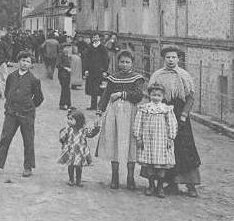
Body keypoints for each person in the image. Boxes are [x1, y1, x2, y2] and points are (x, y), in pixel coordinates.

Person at [148, 46, 202, 197]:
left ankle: (191, 184)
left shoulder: (184, 75)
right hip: (163, 114)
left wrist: (184, 115)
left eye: (174, 57)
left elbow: (190, 97)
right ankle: (170, 183)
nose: (171, 60)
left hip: (180, 114)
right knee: (165, 147)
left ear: (178, 59)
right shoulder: (157, 75)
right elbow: (152, 94)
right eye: (168, 57)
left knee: (185, 147)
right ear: (163, 59)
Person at [0, 50, 44, 177]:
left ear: (31, 64)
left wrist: (29, 106)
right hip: (11, 113)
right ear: (18, 62)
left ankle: (28, 167)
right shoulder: (11, 77)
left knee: (28, 140)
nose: (25, 63)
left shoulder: (34, 80)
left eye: (28, 62)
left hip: (26, 114)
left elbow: (39, 98)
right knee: (5, 138)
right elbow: (7, 92)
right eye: (23, 60)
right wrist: (10, 105)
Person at [96, 50, 145, 190]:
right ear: (118, 62)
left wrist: (120, 94)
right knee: (114, 142)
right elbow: (106, 95)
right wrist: (100, 111)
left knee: (131, 144)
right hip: (114, 113)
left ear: (132, 63)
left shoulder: (137, 78)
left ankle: (130, 177)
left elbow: (138, 95)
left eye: (127, 62)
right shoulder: (113, 78)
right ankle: (115, 177)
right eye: (122, 61)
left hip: (131, 113)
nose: (124, 64)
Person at [134, 84, 178, 198]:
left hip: (161, 140)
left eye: (159, 95)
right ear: (149, 95)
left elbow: (172, 124)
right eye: (153, 94)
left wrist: (170, 138)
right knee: (149, 164)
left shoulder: (166, 109)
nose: (156, 97)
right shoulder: (144, 108)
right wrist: (138, 137)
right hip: (147, 140)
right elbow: (138, 123)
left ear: (163, 96)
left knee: (161, 165)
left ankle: (160, 186)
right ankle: (151, 185)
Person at [58, 109, 100, 187]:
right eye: (68, 119)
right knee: (70, 166)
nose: (69, 121)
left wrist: (96, 128)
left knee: (79, 167)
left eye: (71, 119)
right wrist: (63, 135)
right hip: (70, 151)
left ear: (78, 120)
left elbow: (91, 134)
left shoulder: (83, 130)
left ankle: (78, 180)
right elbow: (62, 138)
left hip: (80, 152)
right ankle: (71, 180)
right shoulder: (68, 129)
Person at [83, 34, 109, 110]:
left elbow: (106, 59)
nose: (95, 38)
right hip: (91, 71)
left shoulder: (102, 48)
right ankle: (93, 106)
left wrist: (105, 70)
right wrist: (86, 69)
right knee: (92, 89)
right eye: (94, 37)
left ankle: (101, 105)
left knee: (99, 89)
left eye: (96, 37)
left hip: (99, 71)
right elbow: (86, 59)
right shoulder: (90, 47)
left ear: (99, 38)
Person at [57, 38, 75, 110]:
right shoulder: (61, 55)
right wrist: (65, 68)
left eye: (69, 48)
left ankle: (68, 104)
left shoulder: (67, 55)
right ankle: (62, 104)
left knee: (67, 89)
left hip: (67, 74)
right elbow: (58, 65)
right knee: (64, 89)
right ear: (63, 48)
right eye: (66, 48)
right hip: (62, 74)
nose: (68, 49)